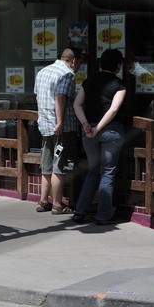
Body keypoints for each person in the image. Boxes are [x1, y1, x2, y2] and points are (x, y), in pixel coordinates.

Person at [71, 48, 129, 225]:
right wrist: (99, 128)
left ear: (100, 64)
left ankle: (80, 211)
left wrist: (86, 125)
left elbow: (76, 104)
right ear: (118, 66)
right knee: (107, 173)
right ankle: (104, 215)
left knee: (93, 172)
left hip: (89, 133)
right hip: (111, 132)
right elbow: (113, 109)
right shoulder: (119, 84)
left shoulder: (88, 82)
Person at [33, 47, 80, 214]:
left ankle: (43, 201)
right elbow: (61, 98)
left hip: (45, 126)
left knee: (46, 166)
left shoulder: (42, 72)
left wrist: (43, 118)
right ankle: (57, 204)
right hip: (61, 128)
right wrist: (59, 123)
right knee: (58, 166)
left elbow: (38, 97)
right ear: (73, 61)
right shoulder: (67, 73)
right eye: (78, 63)